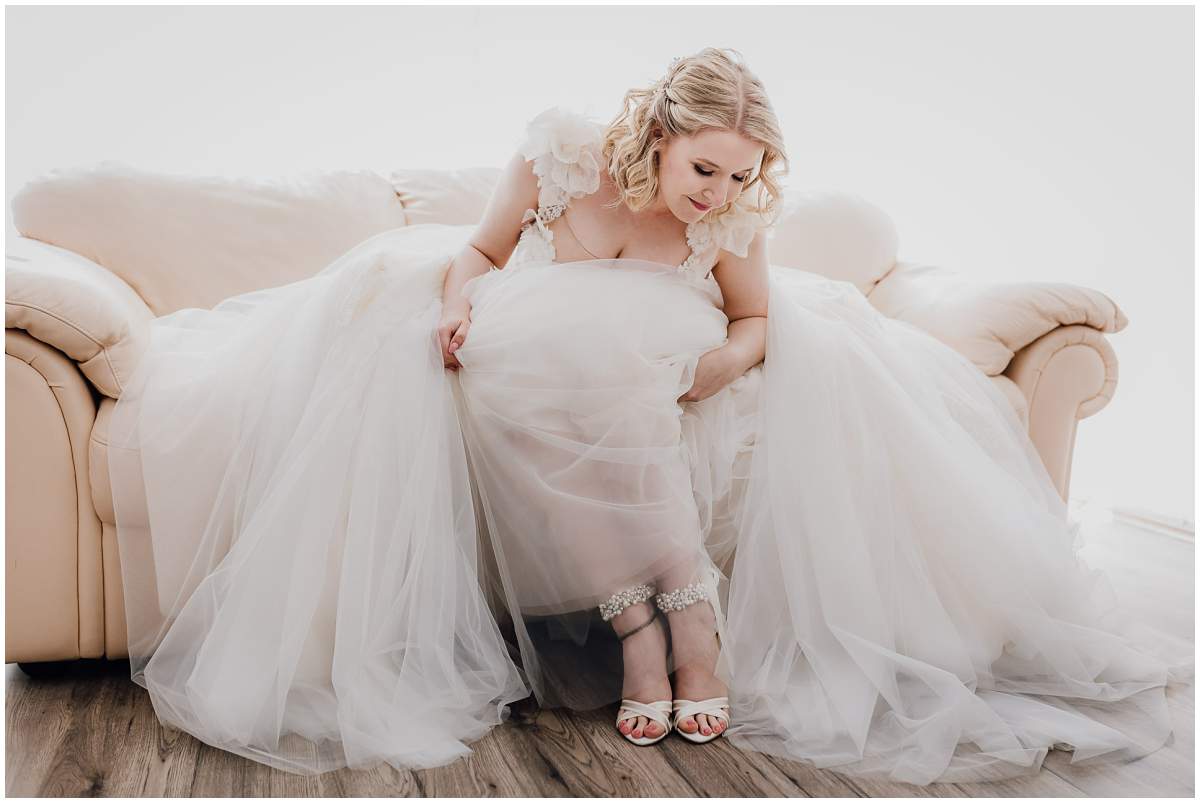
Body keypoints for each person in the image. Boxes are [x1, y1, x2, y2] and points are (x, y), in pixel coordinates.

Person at [107, 47, 1193, 784]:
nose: (717, 193)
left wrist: (723, 360)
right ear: (656, 138)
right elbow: (479, 254)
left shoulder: (737, 218)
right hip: (535, 337)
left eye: (740, 175)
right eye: (702, 168)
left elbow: (758, 319)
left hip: (664, 351)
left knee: (621, 373)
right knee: (520, 373)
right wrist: (453, 307)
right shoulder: (561, 155)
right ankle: (641, 628)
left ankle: (696, 629)